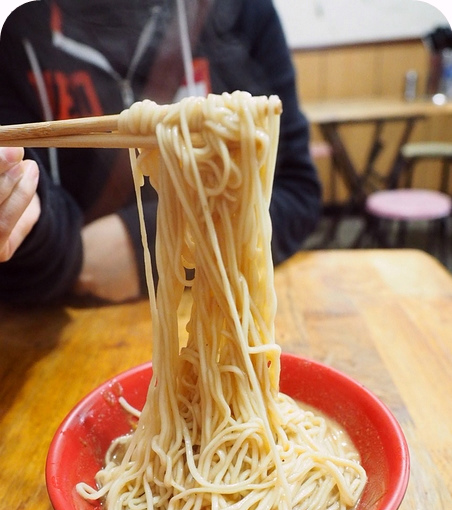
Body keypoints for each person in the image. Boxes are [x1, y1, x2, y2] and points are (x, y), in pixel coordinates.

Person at [0, 0, 321, 305]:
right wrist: (38, 233)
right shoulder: (15, 34)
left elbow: (297, 192)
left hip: (226, 298)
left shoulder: (241, 10)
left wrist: (150, 243)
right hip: (61, 318)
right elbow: (19, 232)